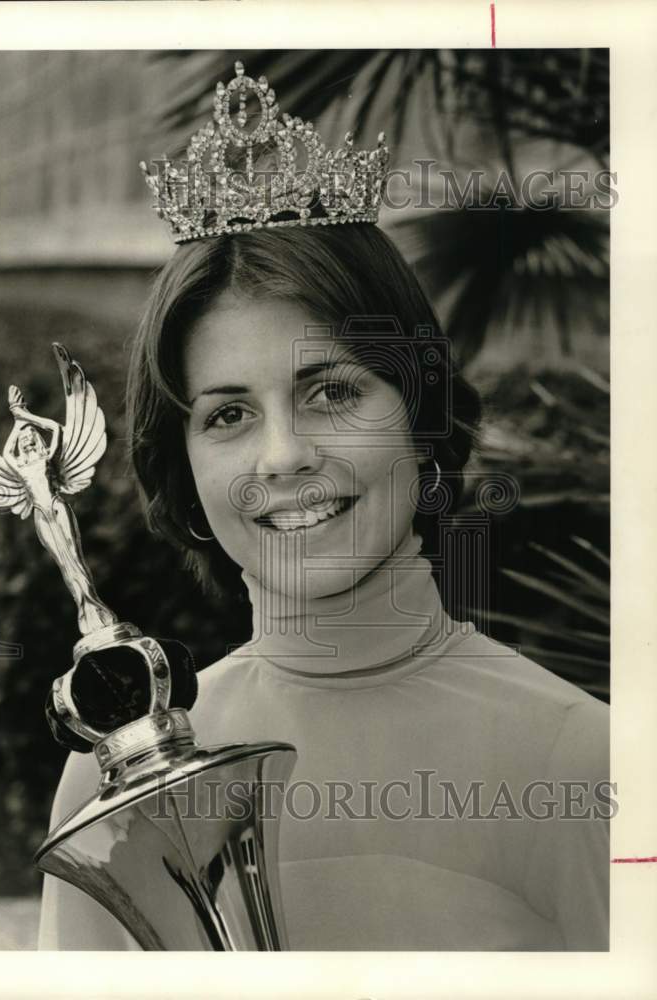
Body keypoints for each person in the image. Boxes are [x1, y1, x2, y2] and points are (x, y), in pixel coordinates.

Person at [38, 63, 609, 951]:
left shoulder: (580, 764)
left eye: (332, 392)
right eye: (228, 414)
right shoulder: (112, 784)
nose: (282, 455)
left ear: (420, 418)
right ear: (181, 468)